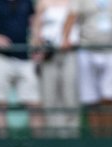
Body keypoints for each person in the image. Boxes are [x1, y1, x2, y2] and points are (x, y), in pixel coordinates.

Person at [62, 0, 112, 138]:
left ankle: (108, 137)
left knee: (109, 97)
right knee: (91, 100)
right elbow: (72, 15)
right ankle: (96, 138)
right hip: (87, 50)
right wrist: (65, 38)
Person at [0, 0, 44, 136]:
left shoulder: (27, 2)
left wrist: (36, 41)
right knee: (0, 104)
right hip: (0, 58)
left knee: (34, 104)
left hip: (24, 57)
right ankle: (2, 144)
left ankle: (39, 145)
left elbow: (34, 22)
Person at [33, 0, 80, 136]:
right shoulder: (43, 3)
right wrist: (39, 44)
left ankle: (71, 136)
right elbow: (36, 26)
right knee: (50, 96)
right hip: (49, 54)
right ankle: (53, 136)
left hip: (70, 52)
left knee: (70, 94)